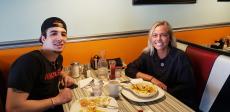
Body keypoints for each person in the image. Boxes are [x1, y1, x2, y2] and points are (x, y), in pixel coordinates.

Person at [6, 17, 75, 112]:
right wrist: (56, 100)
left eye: (63, 34)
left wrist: (64, 75)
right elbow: (13, 108)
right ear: (43, 38)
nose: (60, 38)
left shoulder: (58, 57)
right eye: (54, 33)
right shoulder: (27, 63)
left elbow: (58, 69)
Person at [125, 21, 196, 109]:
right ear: (151, 38)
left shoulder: (180, 57)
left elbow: (188, 87)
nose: (158, 39)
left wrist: (163, 92)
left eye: (163, 35)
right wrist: (151, 78)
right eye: (155, 35)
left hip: (175, 101)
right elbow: (129, 69)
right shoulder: (148, 54)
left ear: (169, 38)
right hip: (153, 99)